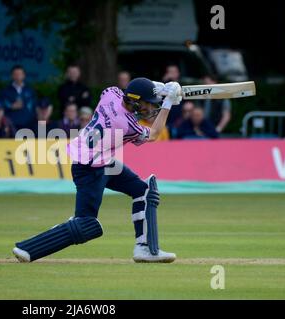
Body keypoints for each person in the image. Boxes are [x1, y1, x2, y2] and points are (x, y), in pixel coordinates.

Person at [13, 77, 182, 263]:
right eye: (147, 104)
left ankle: (144, 249)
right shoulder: (127, 126)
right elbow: (155, 134)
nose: (150, 109)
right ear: (134, 101)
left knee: (142, 190)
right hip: (90, 169)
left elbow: (127, 95)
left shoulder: (110, 93)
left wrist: (154, 88)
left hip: (101, 162)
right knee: (86, 224)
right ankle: (28, 248)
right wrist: (167, 104)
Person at [0, 65, 36, 130]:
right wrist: (11, 106)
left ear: (24, 75)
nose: (18, 77)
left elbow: (34, 107)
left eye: (19, 74)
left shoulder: (30, 91)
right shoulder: (5, 91)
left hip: (28, 125)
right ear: (12, 76)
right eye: (15, 74)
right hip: (11, 125)